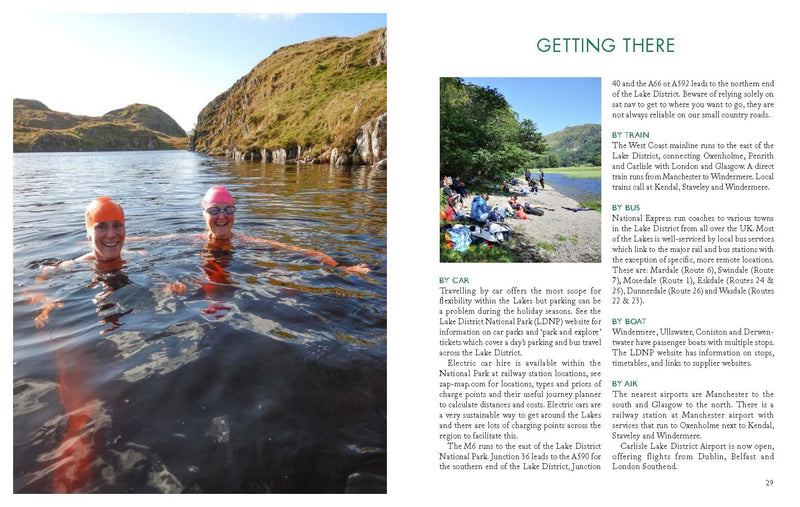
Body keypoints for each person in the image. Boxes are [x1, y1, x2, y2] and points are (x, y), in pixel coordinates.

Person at [200, 186, 370, 274]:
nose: (222, 216)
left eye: (228, 210)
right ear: (204, 214)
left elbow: (299, 251)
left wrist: (341, 267)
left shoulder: (244, 241)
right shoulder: (189, 240)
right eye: (214, 210)